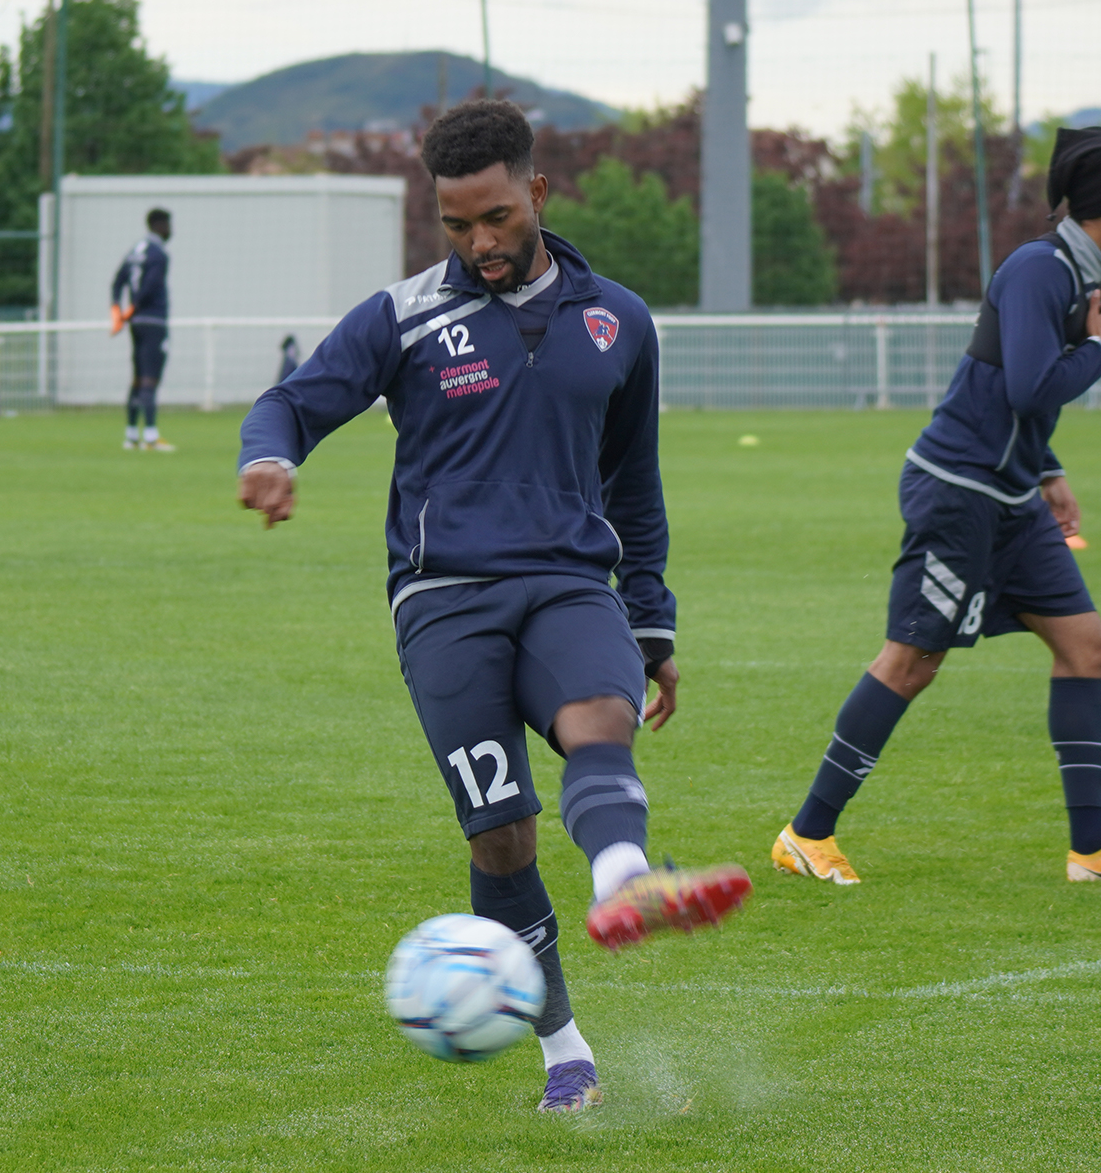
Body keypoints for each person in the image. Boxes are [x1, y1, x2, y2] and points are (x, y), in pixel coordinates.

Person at [237, 101, 751, 1115]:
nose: (479, 244)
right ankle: (565, 1047)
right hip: (445, 602)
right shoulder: (402, 316)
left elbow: (634, 489)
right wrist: (268, 457)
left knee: (600, 724)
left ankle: (622, 885)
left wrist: (651, 624)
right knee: (501, 837)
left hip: (570, 582)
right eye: (458, 225)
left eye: (497, 219)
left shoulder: (620, 321)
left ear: (537, 194)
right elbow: (293, 402)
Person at [773, 127, 1101, 887]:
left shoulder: (1076, 274)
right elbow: (1026, 385)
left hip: (1012, 498)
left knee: (1086, 647)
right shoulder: (1038, 270)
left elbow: (1011, 396)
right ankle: (805, 834)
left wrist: (1047, 470)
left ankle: (1090, 853)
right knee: (911, 662)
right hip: (957, 493)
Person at [111, 208, 174, 452]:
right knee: (150, 378)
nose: (171, 230)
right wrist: (134, 307)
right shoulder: (159, 254)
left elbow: (117, 281)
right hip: (153, 321)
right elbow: (150, 285)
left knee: (137, 377)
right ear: (159, 225)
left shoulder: (135, 251)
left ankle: (131, 436)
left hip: (136, 324)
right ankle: (150, 436)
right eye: (168, 225)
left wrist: (118, 311)